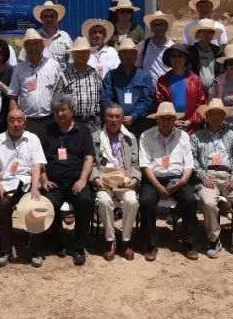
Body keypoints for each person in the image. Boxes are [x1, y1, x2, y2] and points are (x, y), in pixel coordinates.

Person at [36, 95, 96, 265]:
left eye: (63, 110)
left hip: (76, 181)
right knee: (47, 204)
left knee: (85, 201)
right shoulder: (45, 130)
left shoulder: (83, 131)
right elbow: (38, 159)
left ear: (72, 111)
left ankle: (79, 247)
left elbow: (89, 157)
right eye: (56, 110)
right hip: (53, 182)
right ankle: (59, 240)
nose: (60, 114)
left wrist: (83, 180)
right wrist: (44, 179)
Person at [137, 102, 199, 261]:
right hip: (153, 179)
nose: (166, 121)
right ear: (156, 119)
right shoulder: (146, 136)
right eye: (162, 118)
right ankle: (151, 244)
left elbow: (189, 164)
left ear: (174, 120)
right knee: (145, 201)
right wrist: (158, 186)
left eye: (169, 118)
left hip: (178, 178)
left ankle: (188, 243)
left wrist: (182, 181)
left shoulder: (183, 136)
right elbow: (145, 165)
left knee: (190, 201)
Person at [0, 108, 47, 267]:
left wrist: (35, 187)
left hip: (27, 183)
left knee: (35, 205)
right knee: (3, 206)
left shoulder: (33, 139)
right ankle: (5, 250)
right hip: (5, 184)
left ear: (25, 122)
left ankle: (35, 251)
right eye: (12, 120)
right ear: (7, 122)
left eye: (19, 120)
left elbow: (36, 165)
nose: (16, 123)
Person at [192, 101, 233, 259]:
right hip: (208, 176)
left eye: (218, 114)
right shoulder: (197, 137)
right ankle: (214, 240)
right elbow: (193, 160)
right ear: (206, 117)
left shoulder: (232, 135)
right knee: (208, 203)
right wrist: (203, 175)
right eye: (211, 114)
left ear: (224, 116)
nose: (215, 117)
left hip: (228, 175)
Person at [91, 104, 141, 261]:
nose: (114, 120)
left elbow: (135, 164)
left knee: (132, 201)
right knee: (103, 201)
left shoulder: (130, 138)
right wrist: (96, 178)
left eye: (117, 116)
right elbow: (91, 163)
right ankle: (110, 240)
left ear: (122, 118)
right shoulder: (95, 137)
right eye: (110, 116)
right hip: (104, 181)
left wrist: (135, 179)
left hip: (124, 181)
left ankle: (126, 240)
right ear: (104, 118)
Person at [9, 28, 62, 135]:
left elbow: (61, 94)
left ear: (42, 46)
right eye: (29, 44)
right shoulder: (19, 69)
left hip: (51, 119)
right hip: (27, 121)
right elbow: (13, 97)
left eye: (36, 43)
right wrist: (16, 121)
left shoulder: (54, 65)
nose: (33, 47)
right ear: (25, 48)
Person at [51, 37, 104, 137]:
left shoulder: (95, 73)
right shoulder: (64, 75)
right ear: (73, 54)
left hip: (94, 124)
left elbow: (102, 96)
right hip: (72, 123)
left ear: (89, 54)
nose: (82, 55)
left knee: (94, 147)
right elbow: (55, 101)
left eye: (85, 52)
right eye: (78, 52)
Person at [101, 38, 154, 132]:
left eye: (132, 53)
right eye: (125, 52)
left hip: (139, 123)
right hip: (115, 124)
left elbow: (147, 100)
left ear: (136, 55)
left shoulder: (144, 76)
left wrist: (134, 116)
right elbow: (106, 98)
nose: (128, 56)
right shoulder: (110, 76)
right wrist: (116, 116)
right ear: (119, 55)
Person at [154, 43, 206, 132]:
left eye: (181, 56)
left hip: (191, 129)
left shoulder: (196, 80)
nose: (177, 59)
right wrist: (172, 121)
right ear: (169, 59)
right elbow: (159, 104)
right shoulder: (162, 81)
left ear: (186, 59)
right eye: (174, 56)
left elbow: (202, 104)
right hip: (169, 128)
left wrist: (191, 121)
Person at [139, 10, 175, 92]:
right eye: (157, 25)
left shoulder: (172, 47)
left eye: (163, 24)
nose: (160, 27)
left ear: (166, 27)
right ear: (151, 28)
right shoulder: (143, 45)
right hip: (147, 92)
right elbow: (137, 67)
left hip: (167, 92)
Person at [187, 18, 223, 95]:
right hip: (196, 92)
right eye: (204, 31)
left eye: (210, 32)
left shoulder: (217, 51)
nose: (207, 35)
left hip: (215, 92)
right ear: (198, 33)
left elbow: (220, 71)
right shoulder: (191, 51)